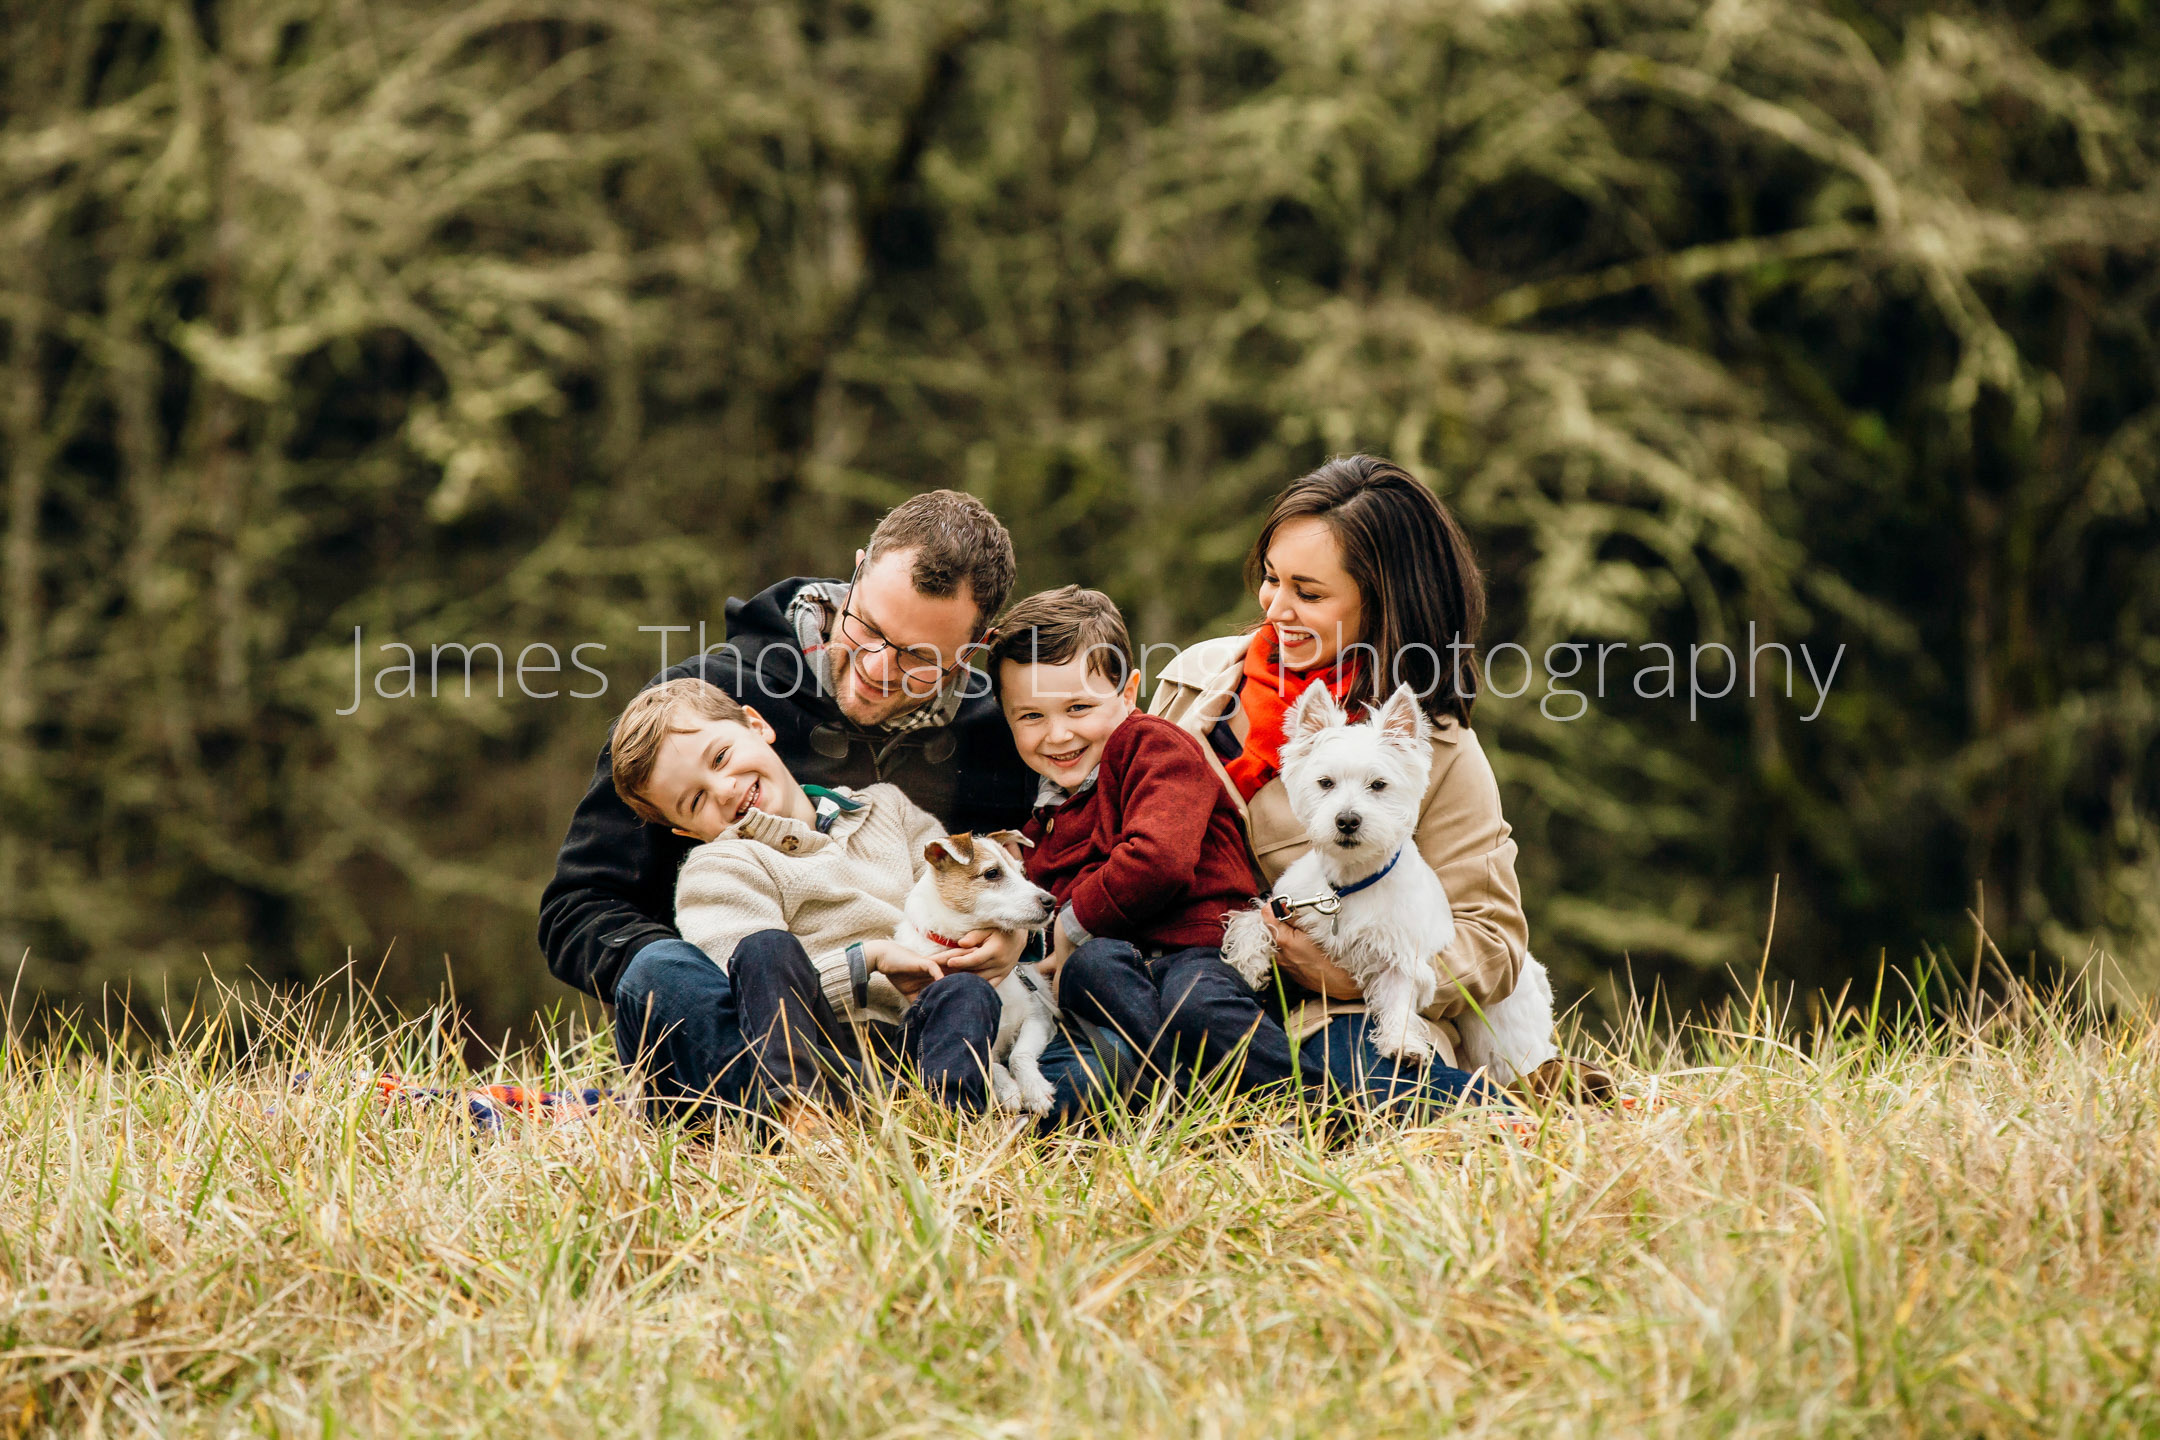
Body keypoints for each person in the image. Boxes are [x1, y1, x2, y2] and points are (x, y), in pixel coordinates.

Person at [538, 490, 1038, 1125]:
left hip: (916, 1024)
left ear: (970, 652)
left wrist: (1011, 935)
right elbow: (577, 908)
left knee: (1081, 1055)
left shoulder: (1001, 737)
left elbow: (1043, 879)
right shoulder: (705, 703)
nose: (880, 667)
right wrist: (730, 979)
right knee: (661, 971)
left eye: (918, 658)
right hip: (743, 1023)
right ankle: (804, 1115)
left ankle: (922, 1116)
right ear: (855, 574)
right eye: (869, 628)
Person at [1146, 454, 1607, 1113]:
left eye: (1309, 593)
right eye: (1271, 580)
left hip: (1343, 1017)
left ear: (1382, 601)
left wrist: (1351, 977)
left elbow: (1493, 935)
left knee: (1352, 1076)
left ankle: (1500, 1118)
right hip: (1187, 982)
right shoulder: (1196, 679)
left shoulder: (1437, 745)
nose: (1276, 609)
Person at [607, 677, 1006, 1125]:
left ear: (756, 726)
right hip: (788, 1055)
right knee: (730, 956)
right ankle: (804, 1113)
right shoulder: (719, 867)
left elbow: (974, 885)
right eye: (695, 799)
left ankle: (942, 1120)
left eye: (720, 757)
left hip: (907, 1048)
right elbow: (749, 998)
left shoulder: (886, 809)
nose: (723, 789)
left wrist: (1007, 937)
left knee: (967, 994)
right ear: (685, 831)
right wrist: (865, 960)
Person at [985, 587, 1257, 1120]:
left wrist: (1069, 924)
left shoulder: (1156, 748)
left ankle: (1302, 1100)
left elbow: (1159, 859)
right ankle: (1182, 1097)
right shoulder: (1041, 820)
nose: (1057, 734)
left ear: (1129, 691)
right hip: (1109, 991)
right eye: (1031, 717)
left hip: (1196, 954)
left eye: (1079, 708)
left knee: (1195, 1005)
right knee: (1087, 990)